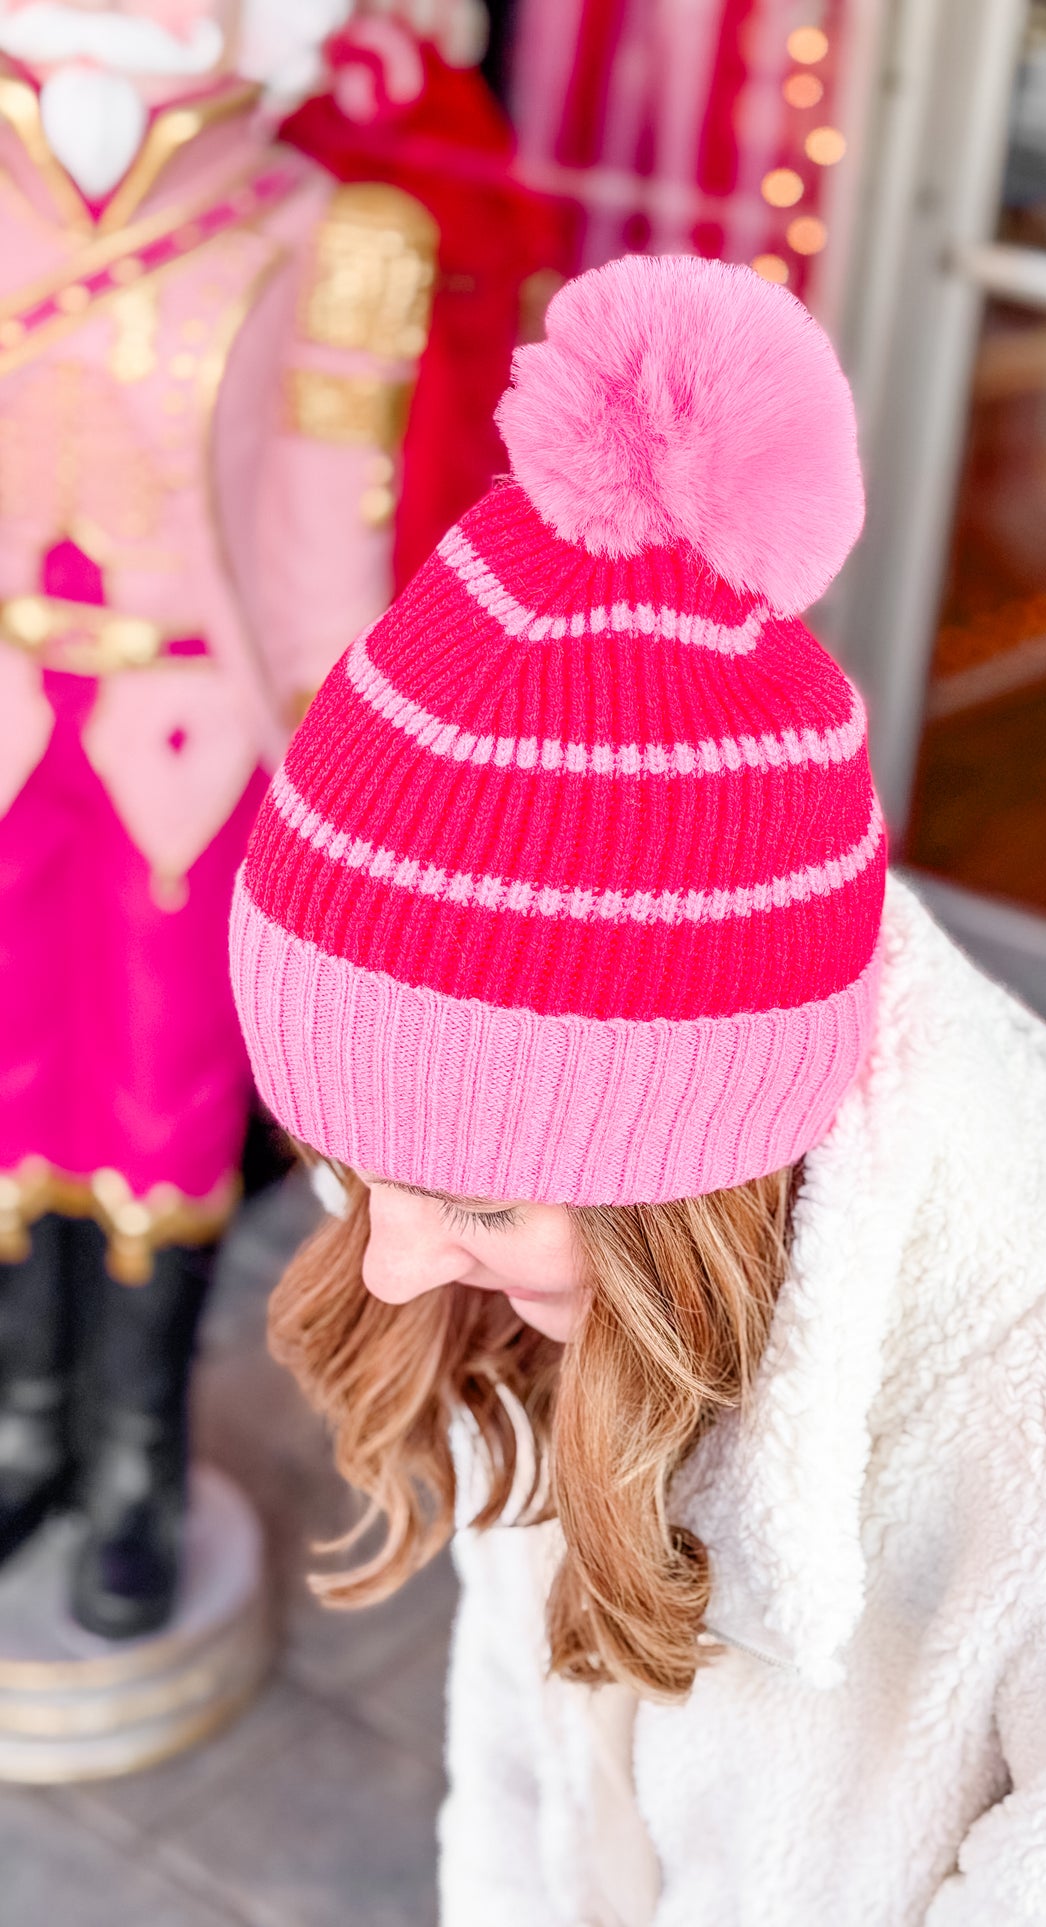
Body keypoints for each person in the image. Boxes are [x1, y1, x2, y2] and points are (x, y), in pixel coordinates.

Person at [229, 252, 1046, 1923]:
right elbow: (527, 1773)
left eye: (479, 1196)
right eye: (345, 1164)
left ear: (695, 1160)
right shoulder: (577, 1262)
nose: (386, 1259)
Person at [0, 0, 435, 1634]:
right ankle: (23, 1421)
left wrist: (359, 780)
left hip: (185, 748)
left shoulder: (327, 236)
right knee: (5, 1080)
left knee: (163, 1097)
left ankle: (132, 1463)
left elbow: (329, 547)